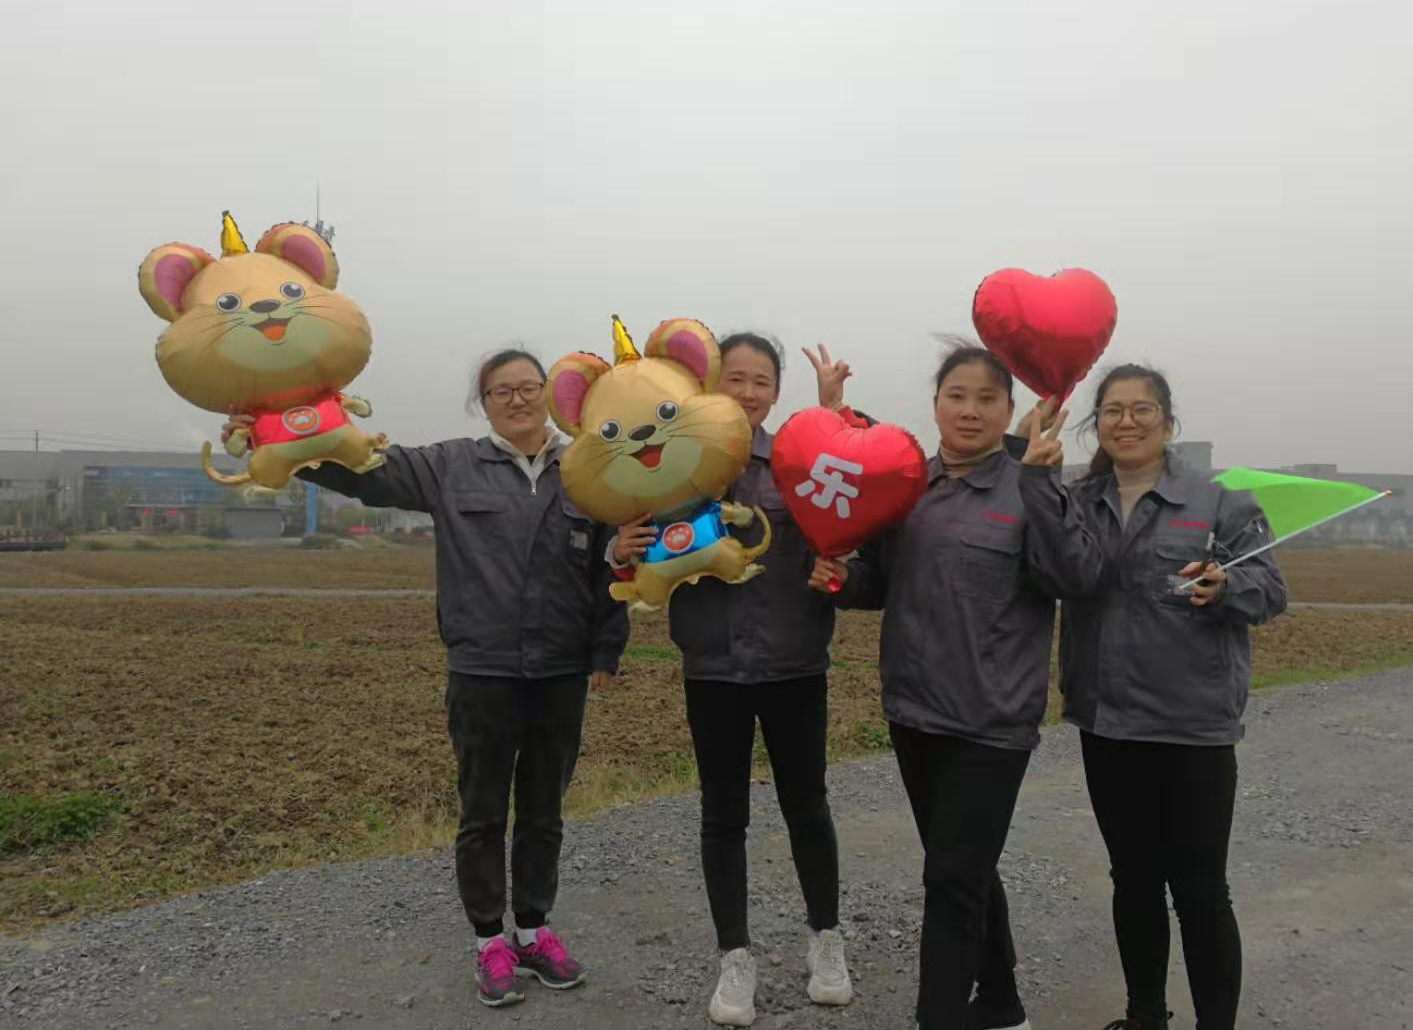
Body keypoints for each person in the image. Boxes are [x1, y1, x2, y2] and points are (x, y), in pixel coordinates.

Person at [221, 350, 628, 1010]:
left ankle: (534, 931)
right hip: (481, 670)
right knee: (483, 812)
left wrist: (606, 649)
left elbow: (612, 565)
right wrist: (272, 436)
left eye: (529, 387)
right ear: (483, 404)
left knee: (545, 812)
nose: (517, 400)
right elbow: (359, 472)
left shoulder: (587, 469)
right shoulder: (449, 466)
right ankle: (489, 940)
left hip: (560, 671)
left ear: (550, 394)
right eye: (501, 391)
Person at [807, 344, 1103, 1030]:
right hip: (914, 709)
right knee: (962, 866)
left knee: (949, 877)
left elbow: (1076, 578)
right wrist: (842, 581)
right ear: (936, 404)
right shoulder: (908, 482)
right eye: (957, 395)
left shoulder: (1031, 483)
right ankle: (1001, 1003)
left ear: (1009, 409)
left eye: (987, 398)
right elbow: (881, 581)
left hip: (991, 721)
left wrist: (1042, 485)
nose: (971, 410)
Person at [612, 336, 858, 1027]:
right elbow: (632, 546)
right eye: (736, 379)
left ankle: (827, 939)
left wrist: (833, 416)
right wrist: (618, 551)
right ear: (711, 387)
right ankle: (734, 956)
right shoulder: (676, 463)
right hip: (713, 667)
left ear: (776, 392)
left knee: (807, 806)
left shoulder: (799, 461)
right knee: (723, 816)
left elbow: (850, 518)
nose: (749, 393)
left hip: (794, 663)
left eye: (762, 382)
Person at [1051, 365, 1286, 1030]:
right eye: (1112, 410)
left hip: (1193, 725)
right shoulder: (1079, 501)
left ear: (1168, 422)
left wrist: (1227, 587)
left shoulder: (1220, 502)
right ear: (1097, 423)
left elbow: (1270, 590)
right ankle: (1145, 1016)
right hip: (1107, 720)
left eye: (1142, 409)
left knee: (1201, 890)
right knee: (1133, 880)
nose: (1126, 421)